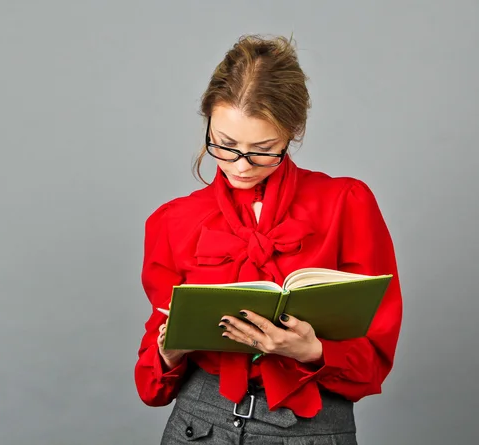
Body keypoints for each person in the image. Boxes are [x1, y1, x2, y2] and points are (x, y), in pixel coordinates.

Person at [134, 35, 402, 445]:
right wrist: (167, 352)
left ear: (291, 132)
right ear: (207, 119)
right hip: (197, 425)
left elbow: (374, 361)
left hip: (311, 426)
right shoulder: (171, 221)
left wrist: (313, 351)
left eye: (263, 149)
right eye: (224, 145)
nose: (240, 165)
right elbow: (153, 384)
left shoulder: (347, 204)